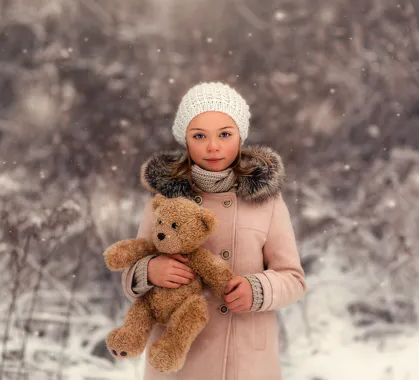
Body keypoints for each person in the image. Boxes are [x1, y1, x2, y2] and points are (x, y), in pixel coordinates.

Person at [121, 81, 307, 380]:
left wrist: (258, 290)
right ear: (186, 139)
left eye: (224, 134)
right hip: (176, 360)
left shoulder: (266, 201)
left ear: (240, 136)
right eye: (199, 136)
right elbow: (130, 269)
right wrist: (150, 270)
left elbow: (294, 279)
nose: (213, 146)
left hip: (244, 360)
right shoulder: (164, 198)